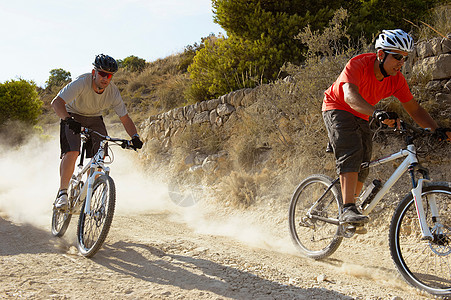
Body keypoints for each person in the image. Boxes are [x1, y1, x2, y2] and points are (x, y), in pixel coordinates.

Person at [322, 29, 451, 227]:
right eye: (397, 56)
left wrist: (436, 129)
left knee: (363, 164)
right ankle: (347, 209)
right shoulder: (358, 64)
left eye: (405, 58)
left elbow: (414, 109)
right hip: (337, 107)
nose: (401, 62)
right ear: (381, 54)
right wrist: (376, 113)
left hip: (362, 113)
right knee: (352, 151)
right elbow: (349, 95)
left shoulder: (397, 80)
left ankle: (351, 210)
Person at [51, 54, 143, 210]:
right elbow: (56, 102)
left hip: (94, 118)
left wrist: (134, 137)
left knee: (100, 156)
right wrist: (67, 120)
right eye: (102, 74)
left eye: (109, 75)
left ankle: (89, 194)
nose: (105, 78)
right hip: (72, 115)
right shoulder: (81, 83)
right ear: (94, 73)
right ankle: (63, 193)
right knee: (73, 152)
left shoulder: (113, 92)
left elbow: (125, 118)